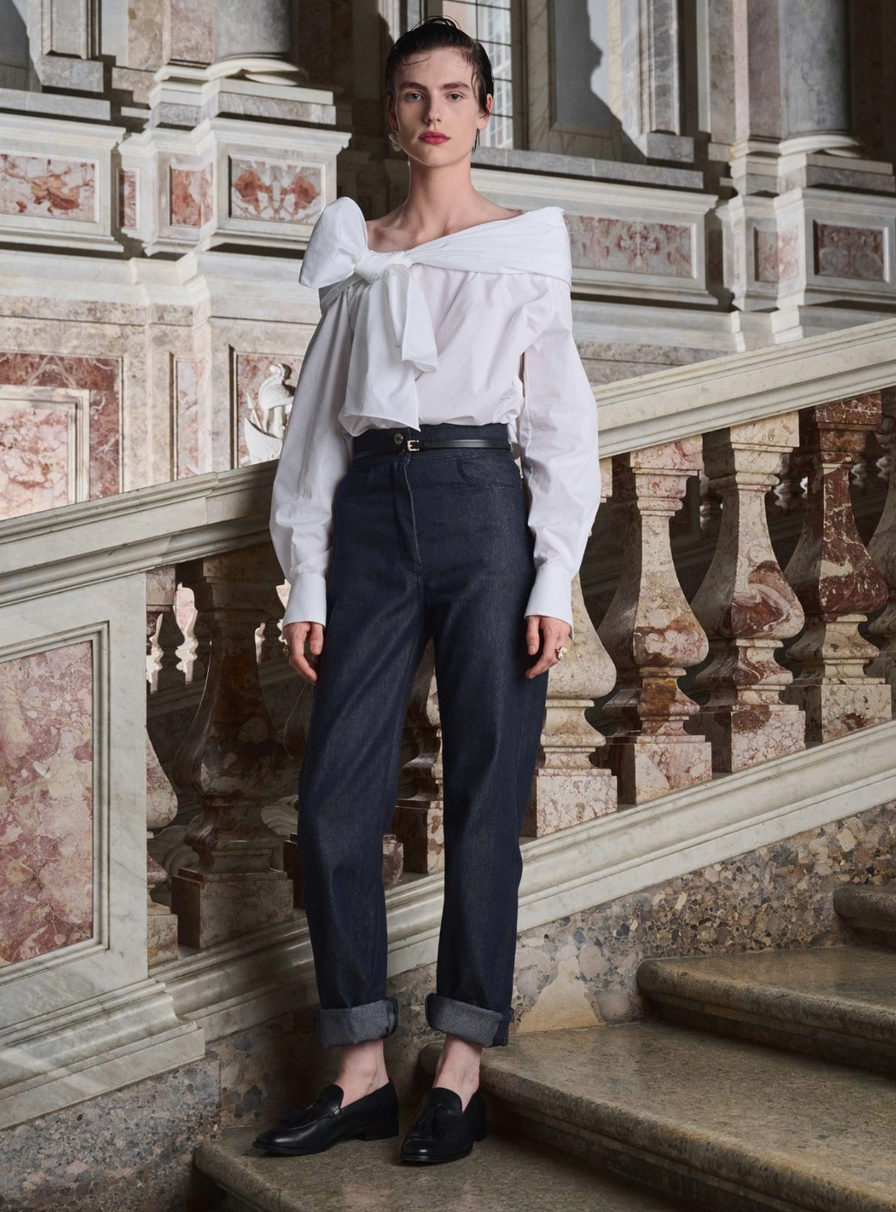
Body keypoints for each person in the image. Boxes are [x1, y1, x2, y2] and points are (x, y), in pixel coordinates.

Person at [255, 15, 601, 1166]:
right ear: (392, 115)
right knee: (332, 801)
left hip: (483, 505)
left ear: (484, 112)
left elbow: (560, 423)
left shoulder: (526, 246)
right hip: (370, 516)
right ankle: (358, 1071)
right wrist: (307, 579)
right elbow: (316, 431)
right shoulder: (358, 251)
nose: (434, 112)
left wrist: (553, 573)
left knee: (485, 791)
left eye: (455, 93)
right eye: (414, 94)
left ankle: (460, 1065)